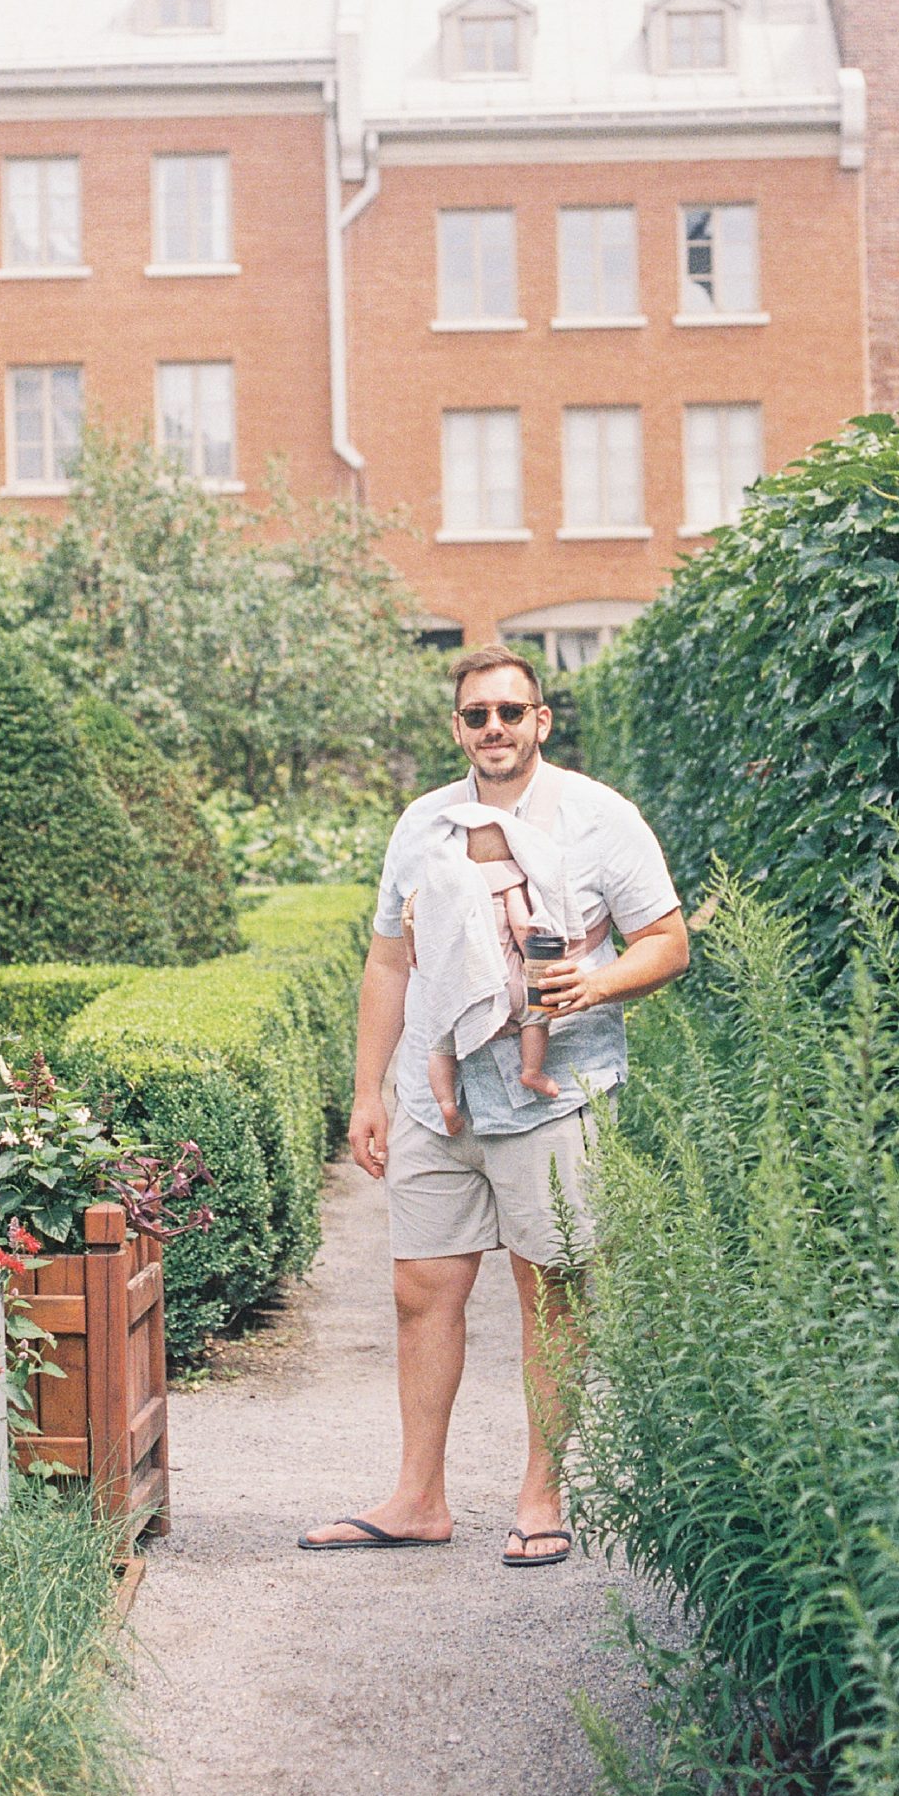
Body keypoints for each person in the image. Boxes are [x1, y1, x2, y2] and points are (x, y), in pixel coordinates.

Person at [300, 643, 688, 1566]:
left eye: (511, 712)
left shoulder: (600, 818)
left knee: (548, 1290)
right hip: (439, 1105)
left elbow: (667, 942)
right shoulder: (423, 822)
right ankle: (417, 1499)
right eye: (476, 715)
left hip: (548, 1101)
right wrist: (367, 1093)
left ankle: (540, 1494)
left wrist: (591, 988)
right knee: (419, 1291)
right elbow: (389, 959)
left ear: (541, 720)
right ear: (457, 727)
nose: (494, 729)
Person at [424, 813, 564, 1131]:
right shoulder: (509, 886)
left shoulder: (443, 891)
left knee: (440, 1044)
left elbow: (420, 939)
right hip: (504, 982)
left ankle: (446, 1103)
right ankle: (531, 1071)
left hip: (456, 988)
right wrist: (536, 956)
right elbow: (523, 929)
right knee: (536, 1015)